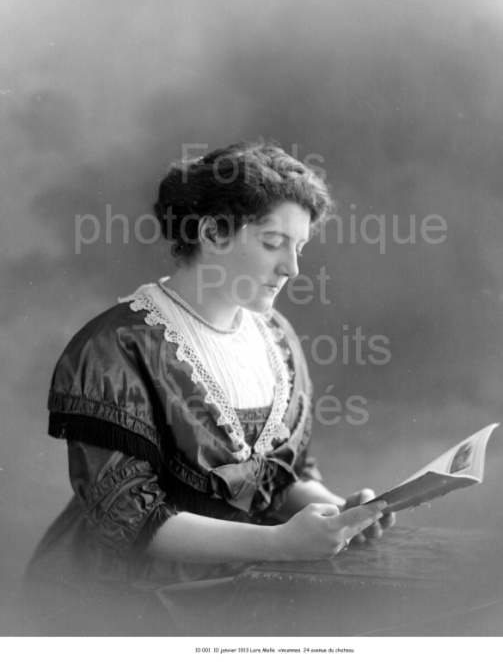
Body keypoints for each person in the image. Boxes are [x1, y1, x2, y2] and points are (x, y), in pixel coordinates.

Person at [26, 141, 394, 634]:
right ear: (213, 233)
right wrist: (282, 543)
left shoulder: (277, 340)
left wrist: (338, 514)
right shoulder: (116, 348)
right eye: (273, 242)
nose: (292, 268)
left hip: (245, 581)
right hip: (126, 598)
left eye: (299, 248)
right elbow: (130, 518)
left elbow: (279, 477)